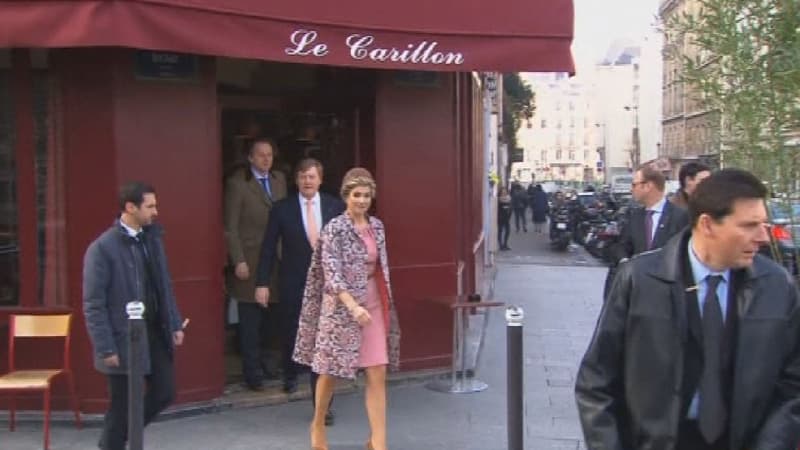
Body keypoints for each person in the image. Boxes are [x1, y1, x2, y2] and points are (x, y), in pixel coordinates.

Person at [575, 168, 800, 450]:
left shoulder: (776, 286)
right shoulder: (641, 279)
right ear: (707, 224)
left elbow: (792, 385)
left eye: (763, 225)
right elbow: (596, 380)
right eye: (748, 226)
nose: (762, 237)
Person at [294, 167, 401, 450]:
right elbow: (332, 274)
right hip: (341, 308)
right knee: (330, 372)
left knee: (377, 371)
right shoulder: (334, 230)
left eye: (367, 195)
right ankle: (317, 424)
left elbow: (381, 268)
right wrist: (353, 306)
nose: (362, 200)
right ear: (346, 197)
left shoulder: (377, 227)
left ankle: (379, 442)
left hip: (374, 304)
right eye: (357, 195)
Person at [83, 182, 185, 450]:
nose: (156, 212)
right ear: (130, 207)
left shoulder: (152, 239)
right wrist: (105, 347)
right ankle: (113, 443)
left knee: (165, 391)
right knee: (122, 404)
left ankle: (114, 440)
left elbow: (164, 284)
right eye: (150, 206)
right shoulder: (102, 248)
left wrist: (174, 323)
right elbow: (94, 304)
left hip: (153, 330)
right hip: (122, 336)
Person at [255, 158, 344, 423]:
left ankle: (323, 405)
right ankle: (290, 374)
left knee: (324, 344)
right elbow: (269, 248)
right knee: (293, 333)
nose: (307, 181)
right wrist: (262, 283)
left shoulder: (334, 206)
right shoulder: (282, 209)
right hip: (294, 284)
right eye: (303, 176)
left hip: (328, 287)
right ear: (297, 180)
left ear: (320, 179)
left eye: (312, 177)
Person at [224, 138, 288, 391]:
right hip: (250, 260)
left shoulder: (279, 180)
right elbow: (231, 227)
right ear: (250, 158)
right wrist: (237, 259)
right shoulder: (238, 185)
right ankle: (252, 374)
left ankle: (271, 366)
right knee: (250, 320)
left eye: (269, 155)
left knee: (274, 318)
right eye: (260, 155)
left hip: (277, 259)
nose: (266, 159)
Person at [604, 165, 689, 299]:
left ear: (648, 186)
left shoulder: (680, 217)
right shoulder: (634, 216)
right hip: (638, 293)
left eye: (634, 185)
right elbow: (623, 245)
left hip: (667, 294)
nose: (631, 189)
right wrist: (624, 261)